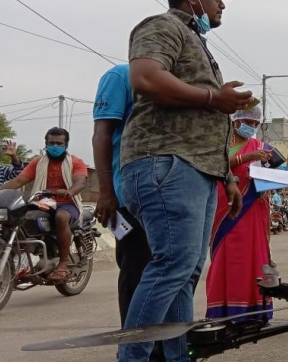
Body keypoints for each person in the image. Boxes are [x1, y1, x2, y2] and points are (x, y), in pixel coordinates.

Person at [120, 0, 253, 359]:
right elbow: (145, 77)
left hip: (196, 168)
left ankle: (178, 356)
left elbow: (206, 121)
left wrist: (226, 177)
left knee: (186, 271)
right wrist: (214, 96)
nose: (223, 3)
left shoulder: (195, 39)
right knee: (173, 264)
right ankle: (132, 356)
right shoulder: (163, 26)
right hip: (167, 160)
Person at [91, 63, 166, 361]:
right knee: (137, 274)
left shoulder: (175, 79)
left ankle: (165, 347)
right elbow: (102, 135)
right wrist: (106, 191)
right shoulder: (119, 76)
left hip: (171, 198)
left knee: (171, 277)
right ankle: (135, 349)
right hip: (129, 198)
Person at [205, 106, 275, 320]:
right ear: (235, 121)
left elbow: (275, 170)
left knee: (255, 255)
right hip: (226, 207)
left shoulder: (263, 146)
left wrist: (269, 174)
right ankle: (224, 310)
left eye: (255, 123)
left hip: (254, 207)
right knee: (227, 257)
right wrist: (248, 157)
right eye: (247, 122)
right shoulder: (221, 143)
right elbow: (216, 165)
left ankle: (256, 310)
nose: (251, 127)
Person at [0, 128, 88, 282]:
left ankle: (63, 263)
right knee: (19, 218)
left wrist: (69, 191)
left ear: (66, 144)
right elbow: (18, 181)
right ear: (45, 143)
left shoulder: (75, 162)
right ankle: (26, 256)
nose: (55, 146)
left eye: (59, 143)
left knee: (61, 217)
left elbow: (80, 181)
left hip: (67, 203)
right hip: (42, 201)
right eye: (51, 143)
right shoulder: (37, 163)